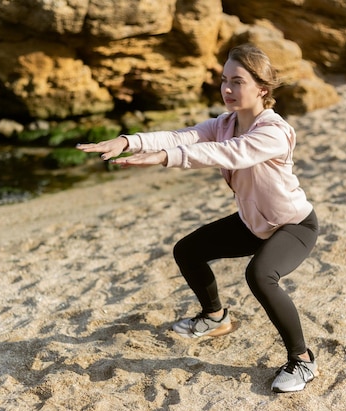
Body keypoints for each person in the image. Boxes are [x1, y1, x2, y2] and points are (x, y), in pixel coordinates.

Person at [77, 44, 319, 393]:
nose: (227, 89)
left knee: (260, 275)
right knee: (188, 250)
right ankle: (215, 317)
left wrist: (164, 158)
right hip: (253, 223)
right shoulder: (225, 123)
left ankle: (303, 359)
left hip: (293, 225)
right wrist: (127, 141)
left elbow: (228, 153)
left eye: (237, 82)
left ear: (262, 89)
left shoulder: (273, 131)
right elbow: (181, 136)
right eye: (224, 81)